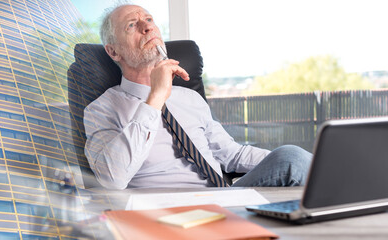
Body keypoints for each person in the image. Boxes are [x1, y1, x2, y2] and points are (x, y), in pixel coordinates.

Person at [83, 4, 312, 190]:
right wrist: (155, 98)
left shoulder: (189, 98)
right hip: (166, 211)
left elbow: (230, 154)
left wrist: (291, 161)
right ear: (113, 51)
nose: (147, 27)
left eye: (149, 20)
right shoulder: (101, 110)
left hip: (224, 196)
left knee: (294, 158)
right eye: (132, 25)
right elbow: (113, 178)